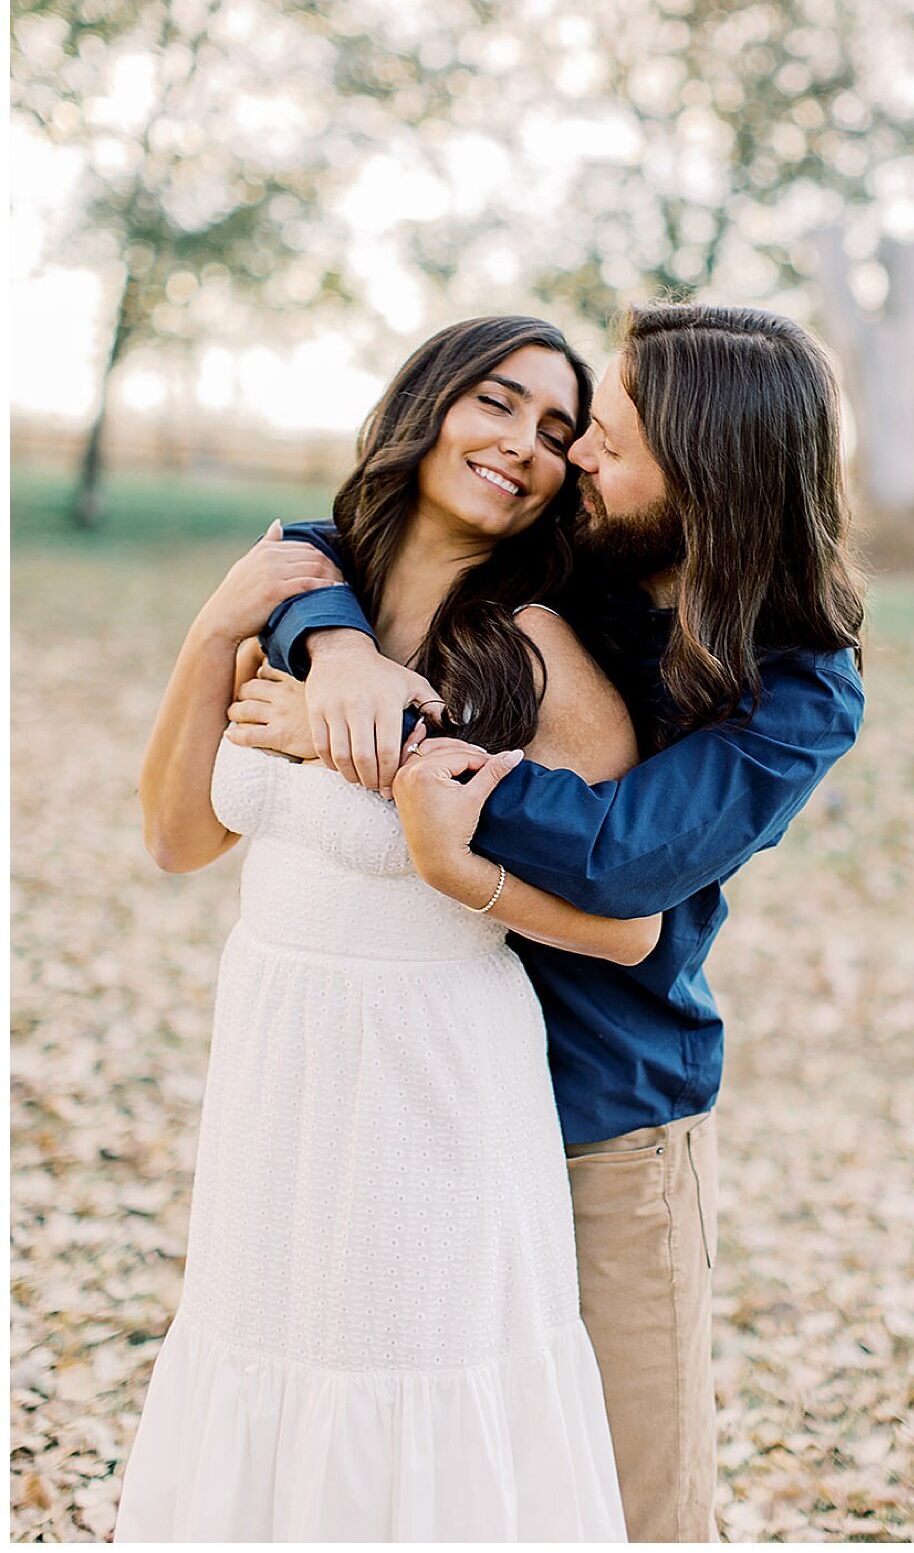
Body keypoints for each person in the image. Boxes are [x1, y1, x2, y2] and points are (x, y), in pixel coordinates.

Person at [229, 300, 867, 1543]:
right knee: (462, 1472)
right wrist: (341, 652)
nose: (575, 457)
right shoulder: (587, 554)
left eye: (610, 438)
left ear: (707, 475)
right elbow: (339, 534)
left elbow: (626, 861)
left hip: (601, 1113)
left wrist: (375, 745)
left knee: (631, 1496)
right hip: (443, 1099)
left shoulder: (798, 685)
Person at [114, 316, 644, 1543]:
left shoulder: (537, 651)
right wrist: (212, 630)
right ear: (429, 403)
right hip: (275, 1056)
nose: (521, 444)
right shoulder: (298, 604)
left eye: (557, 431)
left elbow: (631, 924)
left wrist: (443, 844)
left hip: (435, 1076)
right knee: (266, 1352)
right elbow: (179, 838)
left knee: (411, 1376)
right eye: (497, 403)